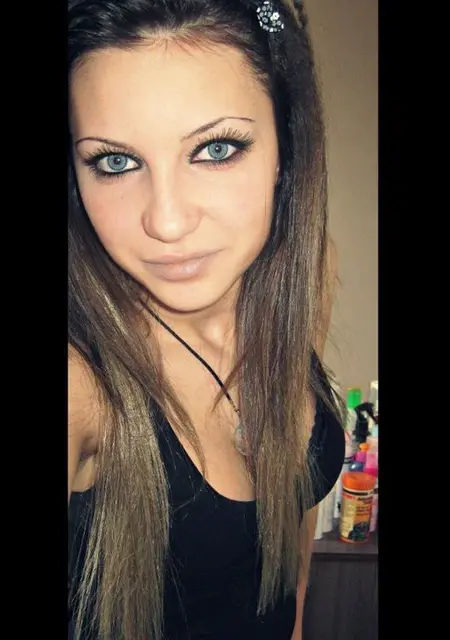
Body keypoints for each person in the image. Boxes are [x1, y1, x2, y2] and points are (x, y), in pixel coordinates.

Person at [68, 0, 345, 638]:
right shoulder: (82, 381)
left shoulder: (305, 280)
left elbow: (288, 526)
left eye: (216, 149)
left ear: (286, 148)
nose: (166, 222)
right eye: (115, 162)